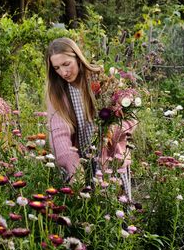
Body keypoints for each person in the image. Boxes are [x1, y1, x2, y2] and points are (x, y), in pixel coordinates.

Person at [45, 37, 137, 185]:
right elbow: (58, 133)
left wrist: (114, 130)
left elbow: (130, 117)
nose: (63, 72)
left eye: (66, 64)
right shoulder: (58, 94)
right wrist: (73, 165)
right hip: (79, 165)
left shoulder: (104, 80)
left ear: (78, 58)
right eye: (57, 68)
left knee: (115, 205)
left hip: (112, 163)